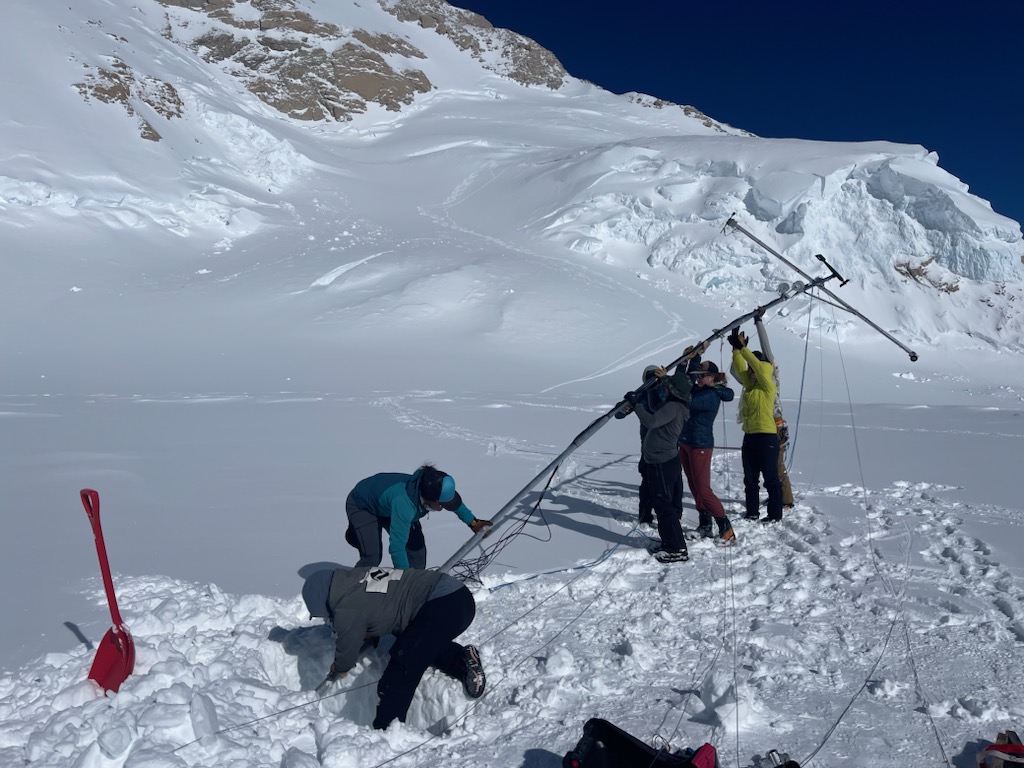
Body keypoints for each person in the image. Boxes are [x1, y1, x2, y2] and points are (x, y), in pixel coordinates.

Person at [302, 565, 486, 730]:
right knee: (418, 644)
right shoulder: (354, 578)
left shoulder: (345, 609)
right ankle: (462, 661)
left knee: (401, 667)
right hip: (456, 596)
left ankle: (387, 732)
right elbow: (380, 602)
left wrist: (339, 667)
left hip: (443, 604)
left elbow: (347, 651)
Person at [344, 465, 492, 570]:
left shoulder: (435, 485)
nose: (444, 508)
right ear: (431, 501)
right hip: (363, 505)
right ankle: (351, 588)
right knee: (372, 557)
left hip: (387, 505)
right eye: (442, 505)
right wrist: (404, 580)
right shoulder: (404, 504)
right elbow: (397, 547)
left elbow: (454, 503)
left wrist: (473, 522)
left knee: (417, 553)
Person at [621, 367, 692, 563]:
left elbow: (651, 421)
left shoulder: (673, 407)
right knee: (662, 503)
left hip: (662, 461)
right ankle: (670, 541)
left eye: (668, 387)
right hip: (661, 460)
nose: (665, 389)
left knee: (663, 505)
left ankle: (677, 548)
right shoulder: (676, 405)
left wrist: (636, 404)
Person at [677, 349, 736, 543]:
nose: (699, 379)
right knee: (694, 486)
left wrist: (674, 387)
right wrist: (692, 359)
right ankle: (705, 524)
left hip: (700, 445)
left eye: (703, 376)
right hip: (686, 442)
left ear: (713, 377)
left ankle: (725, 528)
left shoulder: (710, 394)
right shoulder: (699, 389)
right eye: (698, 376)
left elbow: (686, 399)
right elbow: (686, 382)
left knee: (703, 489)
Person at [728, 327, 783, 523]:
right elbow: (740, 368)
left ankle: (775, 515)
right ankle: (752, 512)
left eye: (754, 369)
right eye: (750, 370)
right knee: (750, 480)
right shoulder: (749, 387)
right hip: (750, 437)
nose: (751, 372)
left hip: (767, 437)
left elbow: (759, 368)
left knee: (770, 479)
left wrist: (744, 350)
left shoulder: (769, 385)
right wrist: (736, 350)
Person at [617, 365, 667, 526]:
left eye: (655, 377)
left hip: (668, 443)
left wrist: (665, 382)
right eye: (649, 377)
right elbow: (618, 414)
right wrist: (625, 405)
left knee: (670, 481)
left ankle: (673, 514)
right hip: (647, 444)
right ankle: (645, 515)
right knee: (647, 480)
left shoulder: (666, 392)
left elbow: (661, 404)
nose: (652, 381)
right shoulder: (641, 395)